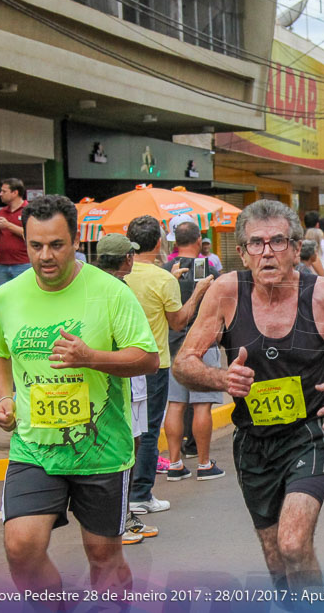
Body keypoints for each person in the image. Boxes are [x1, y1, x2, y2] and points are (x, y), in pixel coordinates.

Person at [173, 199, 324, 587]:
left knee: (294, 543)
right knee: (277, 559)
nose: (267, 252)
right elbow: (184, 362)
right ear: (243, 254)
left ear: (296, 250)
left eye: (278, 242)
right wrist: (222, 380)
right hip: (254, 440)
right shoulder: (226, 292)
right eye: (256, 244)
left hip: (313, 431)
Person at [0, 195, 159, 593]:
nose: (45, 256)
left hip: (101, 447)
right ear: (24, 242)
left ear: (77, 240)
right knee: (21, 547)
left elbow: (147, 358)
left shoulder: (111, 292)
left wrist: (91, 357)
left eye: (56, 245)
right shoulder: (8, 296)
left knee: (103, 557)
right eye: (36, 245)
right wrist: (5, 396)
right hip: (34, 446)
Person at [125, 216, 213, 515]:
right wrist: (199, 292)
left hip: (119, 363)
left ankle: (123, 493)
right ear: (160, 243)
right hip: (153, 363)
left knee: (125, 428)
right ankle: (141, 493)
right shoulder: (162, 279)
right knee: (148, 430)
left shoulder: (119, 274)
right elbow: (178, 321)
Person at [92, 233, 160, 545]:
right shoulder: (118, 289)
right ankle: (121, 520)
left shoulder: (92, 285)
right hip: (127, 376)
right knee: (127, 447)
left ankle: (117, 517)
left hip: (106, 378)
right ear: (127, 259)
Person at [162, 221, 223, 483]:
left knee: (175, 405)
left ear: (175, 241)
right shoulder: (208, 269)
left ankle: (175, 463)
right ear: (198, 240)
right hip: (202, 343)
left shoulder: (166, 271)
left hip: (173, 345)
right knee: (201, 405)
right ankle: (204, 463)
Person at [0, 178, 30, 286]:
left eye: (4, 191)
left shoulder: (28, 210)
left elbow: (31, 234)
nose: (0, 194)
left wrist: (8, 225)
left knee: (23, 295)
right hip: (2, 263)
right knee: (3, 296)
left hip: (23, 263)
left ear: (15, 192)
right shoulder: (2, 212)